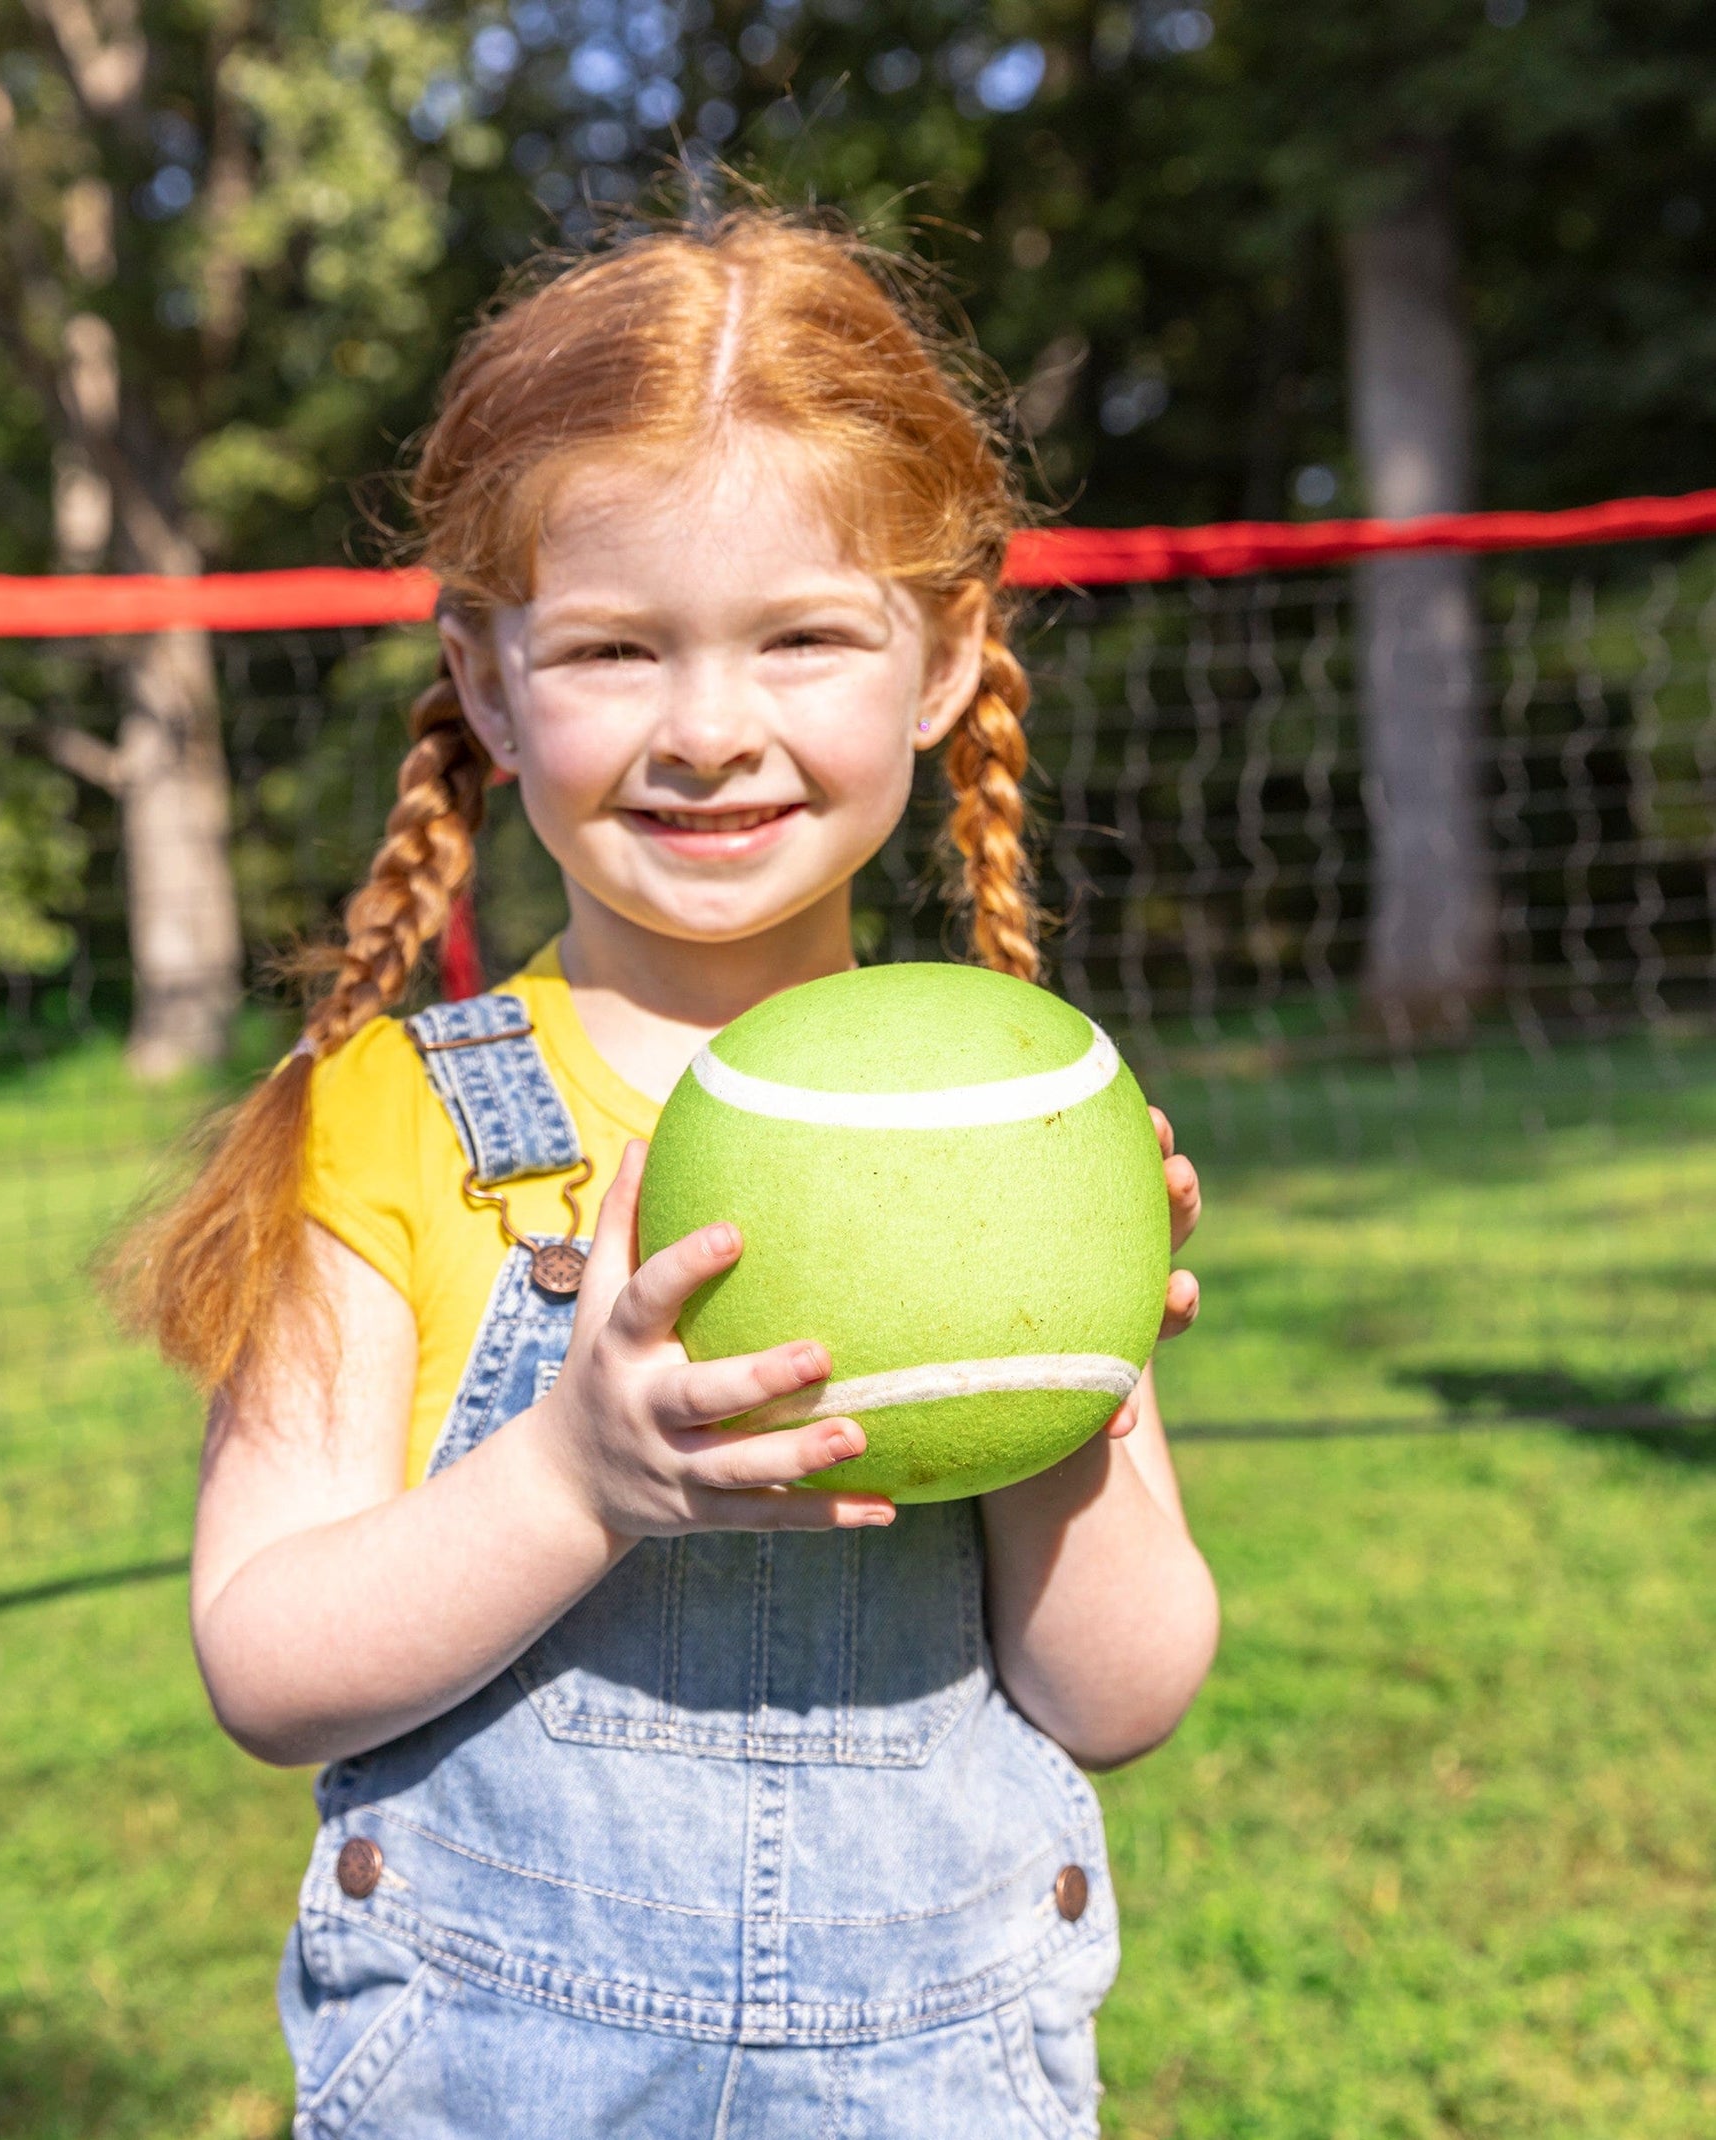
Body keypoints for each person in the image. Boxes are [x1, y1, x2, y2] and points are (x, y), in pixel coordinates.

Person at [120, 208, 1216, 2139]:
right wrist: (572, 1476)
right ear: (481, 671)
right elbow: (265, 1659)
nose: (712, 732)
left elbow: (1117, 1697)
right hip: (490, 2083)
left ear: (945, 655)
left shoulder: (1023, 1123)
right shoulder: (389, 1119)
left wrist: (1075, 1398)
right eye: (618, 650)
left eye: (803, 638)